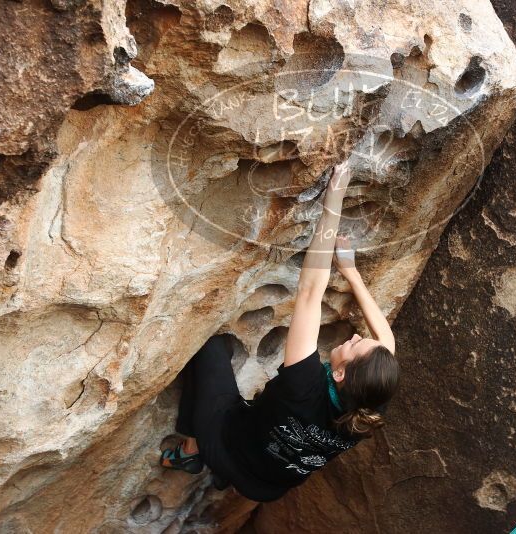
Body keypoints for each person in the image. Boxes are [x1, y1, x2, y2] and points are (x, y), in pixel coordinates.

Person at [159, 160, 400, 502]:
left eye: (355, 346)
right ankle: (209, 459)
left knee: (213, 347)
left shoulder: (303, 385)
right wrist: (350, 273)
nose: (356, 337)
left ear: (342, 372)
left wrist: (334, 199)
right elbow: (385, 343)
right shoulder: (367, 409)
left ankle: (192, 449)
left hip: (228, 445)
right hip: (266, 487)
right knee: (258, 420)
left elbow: (310, 291)